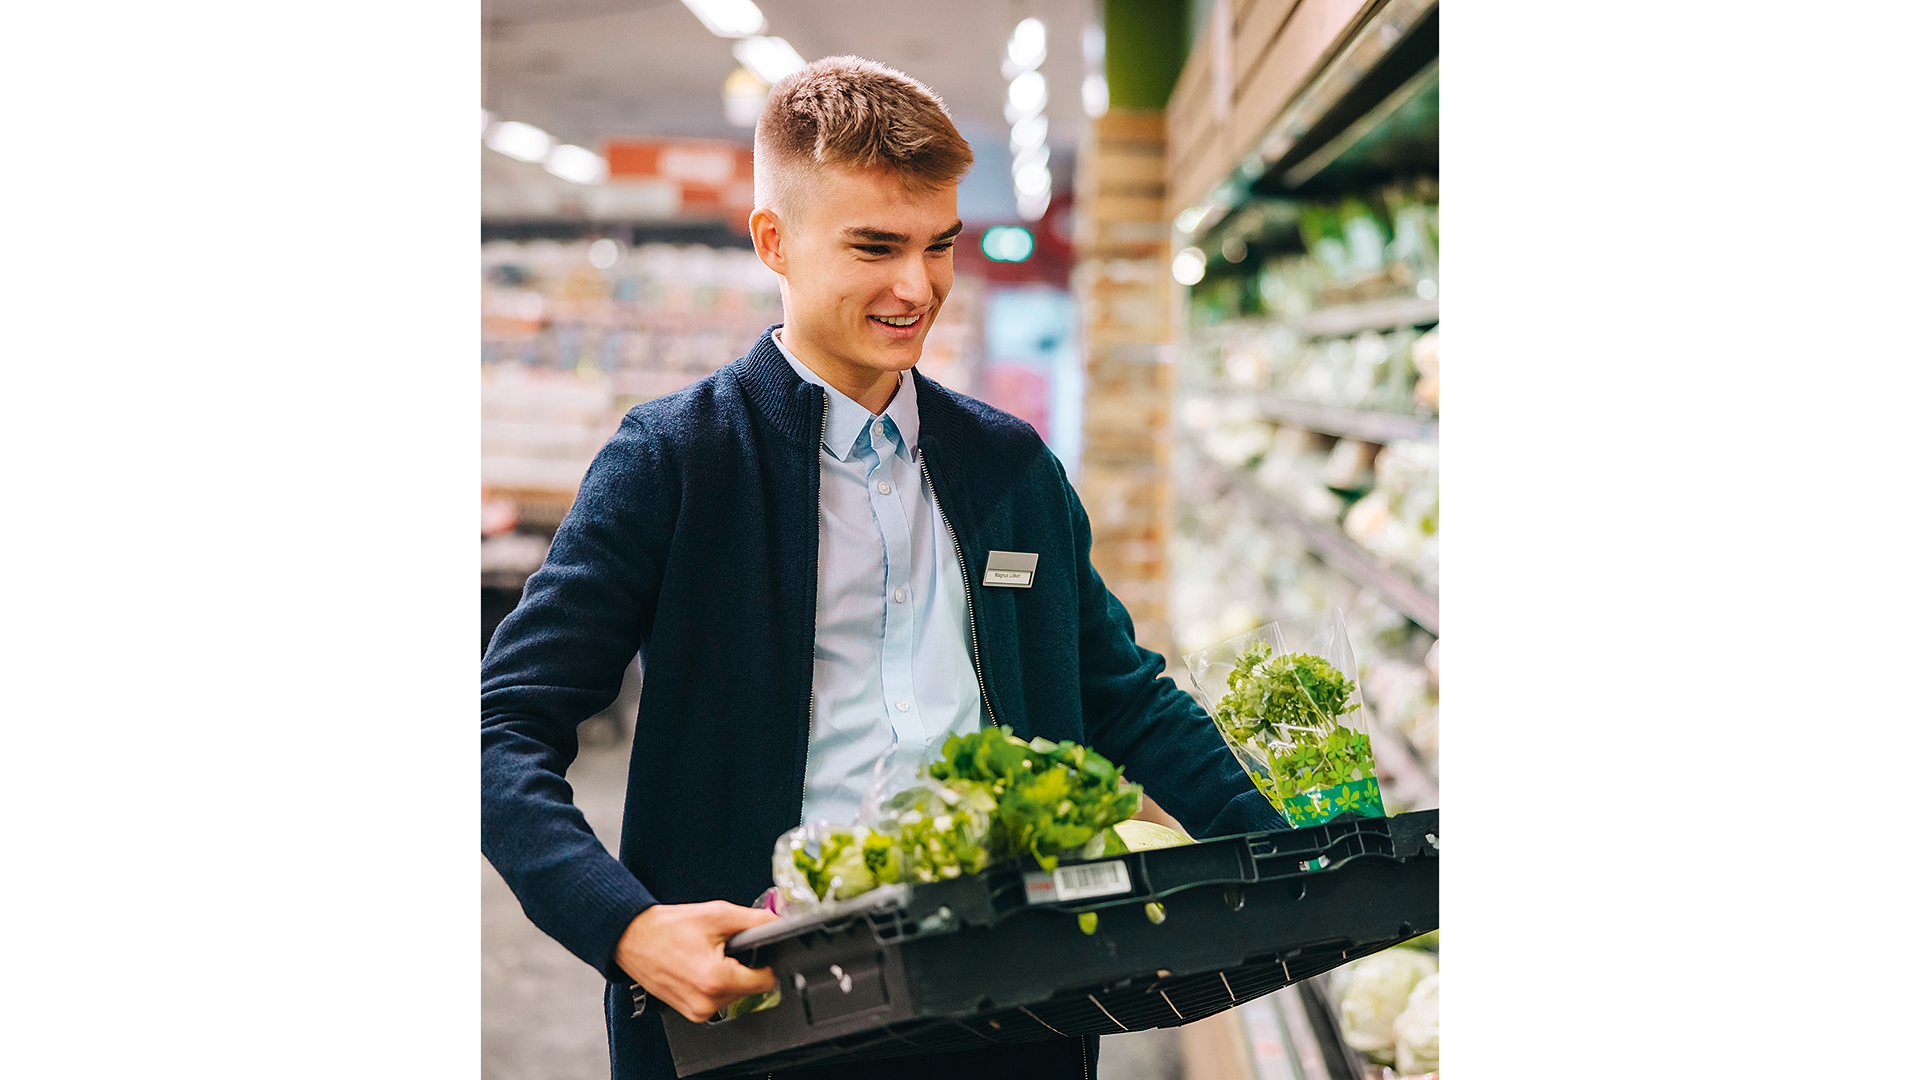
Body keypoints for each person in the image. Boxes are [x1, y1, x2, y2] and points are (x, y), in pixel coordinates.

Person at [481, 55, 1285, 1080]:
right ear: (774, 240)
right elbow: (500, 728)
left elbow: (1122, 697)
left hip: (1015, 1005)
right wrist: (626, 928)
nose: (919, 288)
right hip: (766, 1013)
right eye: (875, 247)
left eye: (938, 245)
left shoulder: (1008, 467)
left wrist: (1292, 862)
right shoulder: (675, 462)